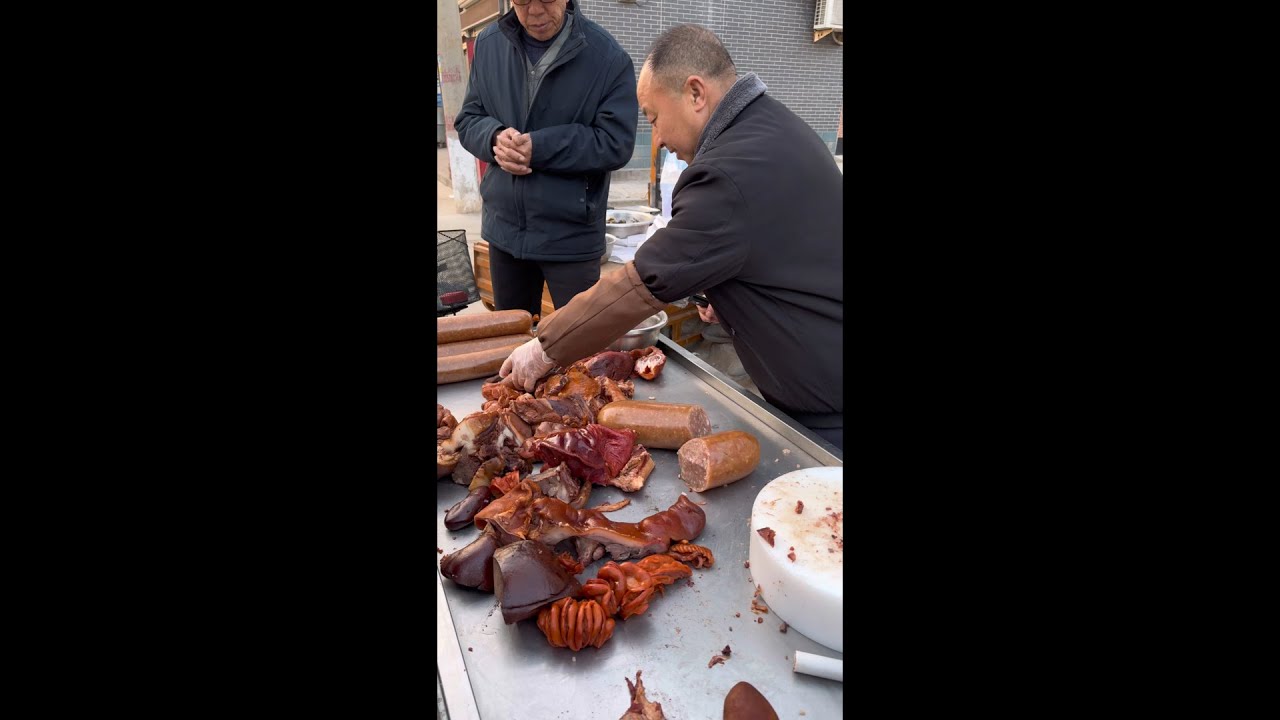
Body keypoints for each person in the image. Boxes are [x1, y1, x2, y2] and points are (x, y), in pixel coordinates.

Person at [499, 24, 844, 450]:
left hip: (828, 405)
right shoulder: (775, 126)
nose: (658, 139)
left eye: (654, 118)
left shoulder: (726, 173)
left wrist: (545, 347)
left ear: (695, 93)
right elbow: (782, 247)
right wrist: (734, 292)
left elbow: (645, 280)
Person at [454, 0, 638, 318]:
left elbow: (616, 142)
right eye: (523, 1)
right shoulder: (488, 44)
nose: (535, 11)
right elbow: (469, 118)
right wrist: (494, 138)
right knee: (511, 334)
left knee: (577, 339)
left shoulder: (607, 57)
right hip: (505, 229)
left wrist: (539, 147)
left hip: (571, 235)